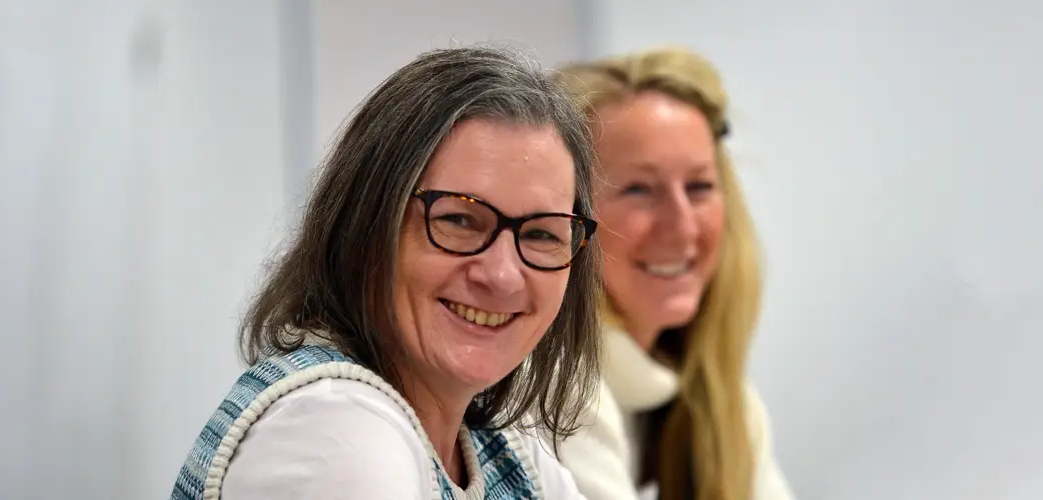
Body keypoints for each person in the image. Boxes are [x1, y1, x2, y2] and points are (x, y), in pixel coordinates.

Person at [170, 45, 602, 499]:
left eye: (541, 234)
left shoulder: (505, 453)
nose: (502, 275)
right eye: (457, 220)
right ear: (367, 224)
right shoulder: (336, 435)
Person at [553, 47, 796, 500]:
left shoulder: (726, 404)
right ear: (565, 214)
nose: (683, 226)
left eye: (700, 187)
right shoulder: (555, 384)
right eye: (640, 189)